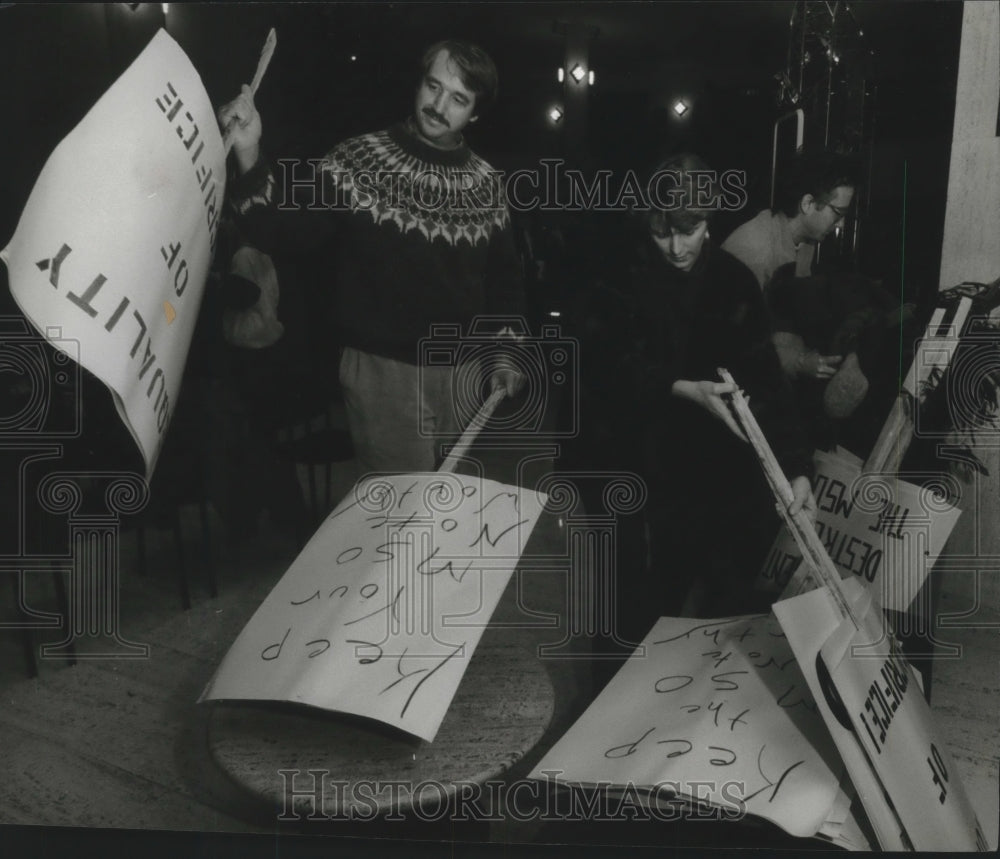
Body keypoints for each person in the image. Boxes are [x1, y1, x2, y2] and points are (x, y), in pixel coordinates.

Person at [216, 39, 525, 474]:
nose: (438, 105)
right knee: (400, 519)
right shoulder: (358, 159)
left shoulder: (488, 184)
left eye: (458, 99)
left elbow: (505, 278)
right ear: (419, 84)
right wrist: (249, 149)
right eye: (433, 86)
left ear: (474, 113)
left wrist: (507, 352)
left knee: (446, 517)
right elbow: (284, 232)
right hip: (383, 373)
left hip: (463, 373)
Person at [615, 153, 816, 635]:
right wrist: (681, 387)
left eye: (691, 229)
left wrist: (797, 468)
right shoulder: (624, 276)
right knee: (640, 608)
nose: (677, 247)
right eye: (663, 231)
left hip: (721, 476)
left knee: (724, 610)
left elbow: (767, 384)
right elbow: (605, 369)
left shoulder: (733, 280)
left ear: (709, 220)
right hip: (645, 470)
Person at [722, 150, 861, 384]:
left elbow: (784, 318)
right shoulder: (755, 252)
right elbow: (735, 345)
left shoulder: (804, 242)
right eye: (838, 213)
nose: (842, 223)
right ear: (807, 203)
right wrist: (797, 362)